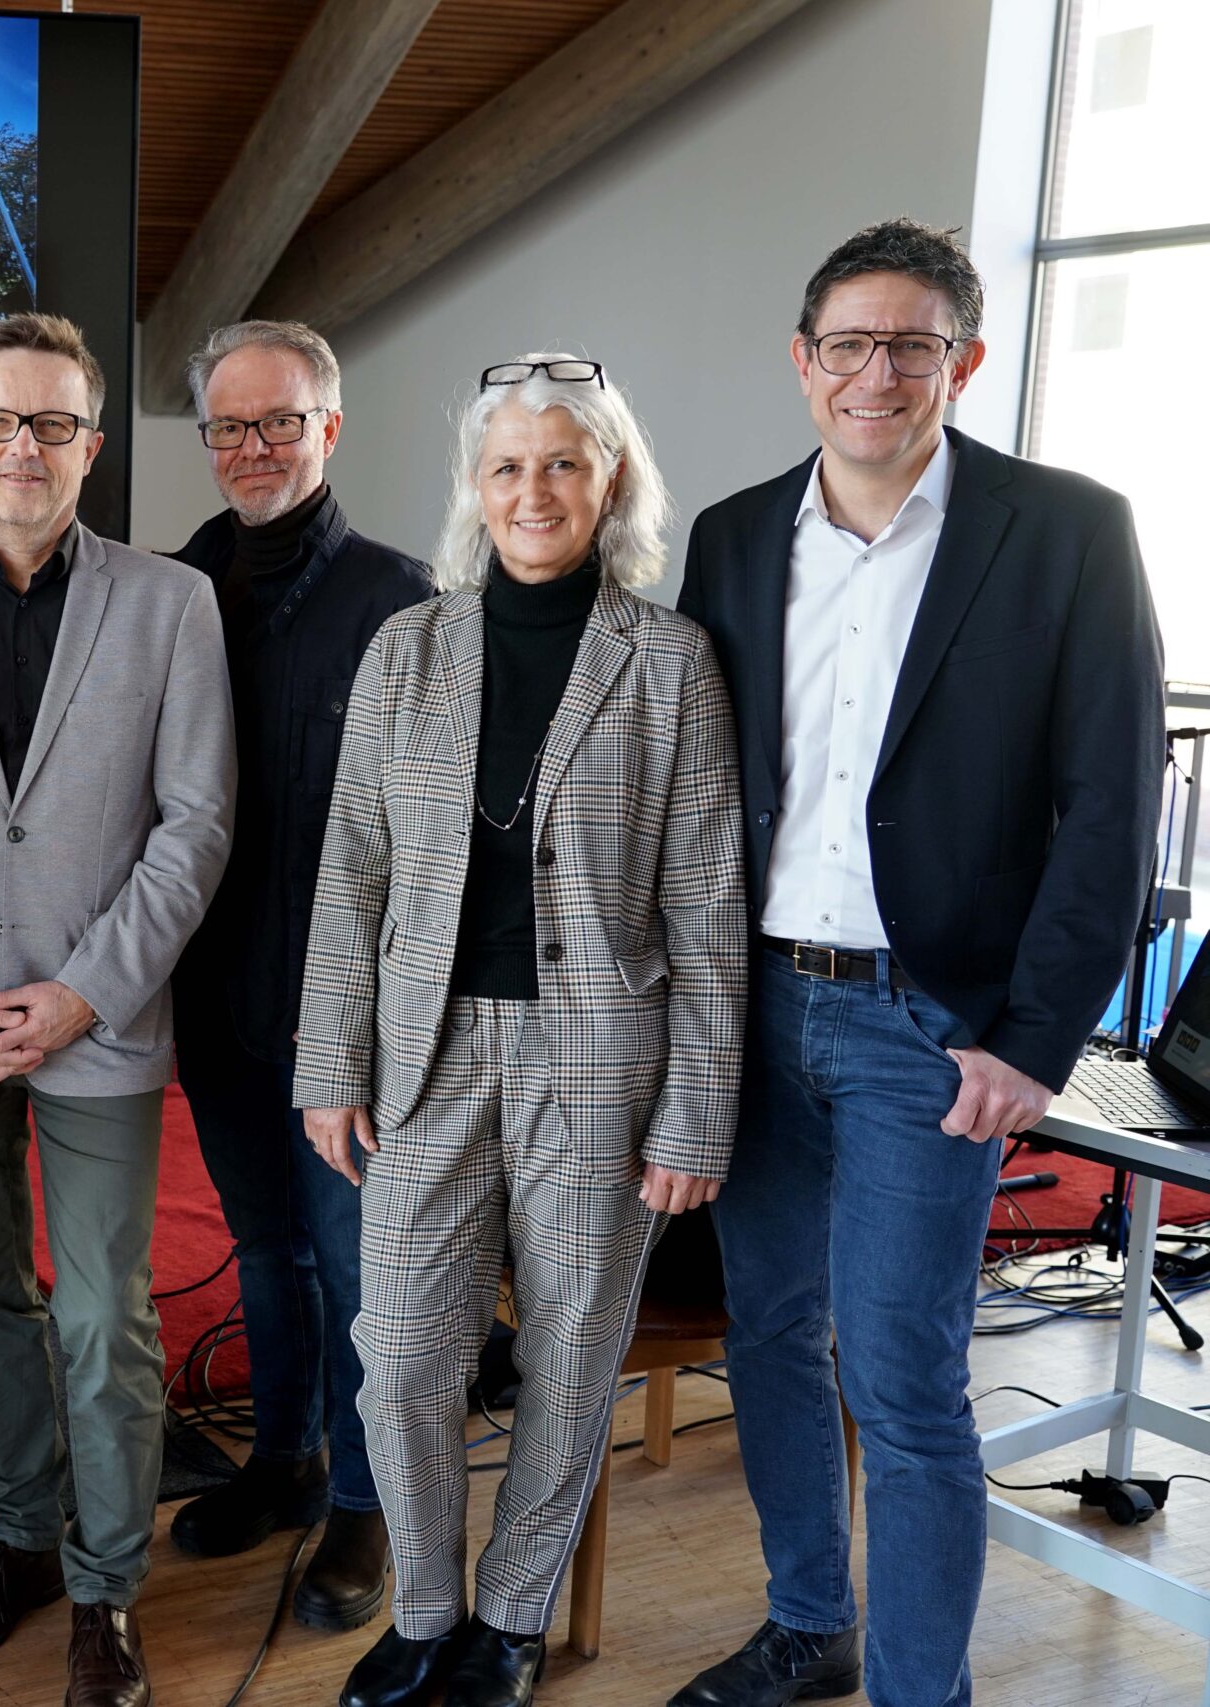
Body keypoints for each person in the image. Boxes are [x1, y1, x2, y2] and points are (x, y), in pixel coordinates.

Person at [669, 220, 1164, 1707]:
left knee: (902, 1378)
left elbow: (1111, 805)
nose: (874, 374)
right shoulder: (735, 535)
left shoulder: (1065, 529)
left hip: (930, 1029)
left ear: (966, 359)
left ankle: (917, 1691)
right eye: (847, 344)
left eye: (910, 345)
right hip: (757, 1007)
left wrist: (1033, 1037)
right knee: (769, 1334)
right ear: (802, 359)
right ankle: (808, 1622)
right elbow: (697, 785)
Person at [298, 356, 747, 1707]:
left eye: (563, 462)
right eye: (507, 466)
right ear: (475, 487)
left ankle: (509, 1618)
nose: (533, 490)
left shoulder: (669, 661)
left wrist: (696, 1112)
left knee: (570, 1351)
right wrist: (330, 1059)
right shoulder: (407, 647)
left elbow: (707, 899)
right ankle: (424, 1609)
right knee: (403, 1357)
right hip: (425, 1054)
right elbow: (352, 869)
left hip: (600, 1063)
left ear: (610, 480)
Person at [0, 312, 235, 1707]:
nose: (24, 447)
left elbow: (196, 826)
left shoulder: (171, 603)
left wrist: (85, 992)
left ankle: (106, 1584)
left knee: (103, 1316)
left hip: (104, 1019)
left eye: (53, 423)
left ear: (91, 443)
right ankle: (21, 1536)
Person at [166, 318, 431, 1630]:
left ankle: (370, 1505)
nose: (254, 448)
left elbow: (436, 846)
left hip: (352, 1023)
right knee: (263, 1249)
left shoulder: (403, 601)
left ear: (329, 427)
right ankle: (285, 1458)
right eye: (230, 426)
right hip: (217, 998)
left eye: (279, 422)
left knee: (362, 1267)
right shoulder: (176, 588)